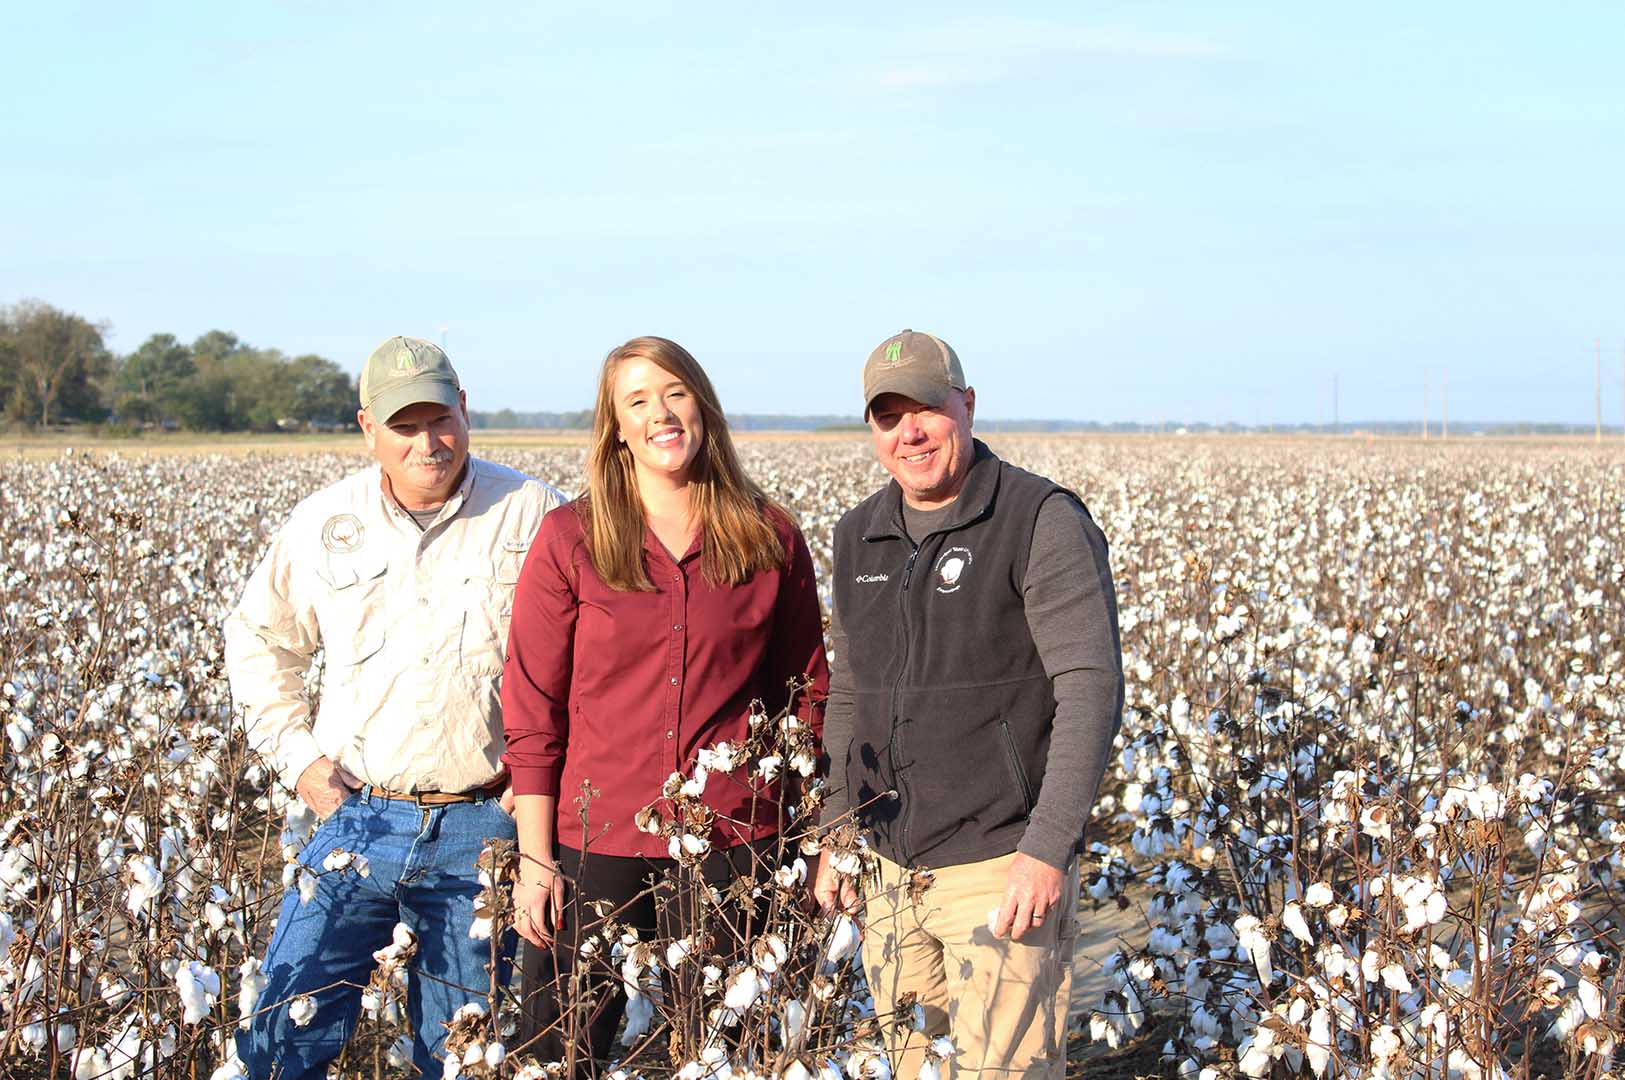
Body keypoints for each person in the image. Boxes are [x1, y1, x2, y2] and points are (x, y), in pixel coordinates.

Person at [224, 336, 565, 1078]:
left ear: (465, 412)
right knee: (283, 1039)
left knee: (463, 1051)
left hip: (482, 824)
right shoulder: (322, 523)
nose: (427, 441)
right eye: (404, 426)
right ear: (367, 428)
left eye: (440, 418)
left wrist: (535, 780)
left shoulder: (534, 512)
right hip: (355, 814)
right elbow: (257, 642)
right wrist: (302, 763)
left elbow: (593, 654)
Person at [501, 335, 829, 1063]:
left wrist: (808, 840)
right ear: (615, 425)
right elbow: (531, 707)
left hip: (734, 837)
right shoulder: (570, 539)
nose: (660, 415)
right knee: (558, 1051)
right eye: (637, 401)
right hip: (594, 839)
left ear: (702, 406)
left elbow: (803, 696)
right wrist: (535, 859)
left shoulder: (767, 536)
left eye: (674, 393)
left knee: (726, 1051)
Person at [814, 329, 1124, 1080]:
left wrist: (1046, 847)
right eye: (888, 417)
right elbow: (850, 688)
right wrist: (836, 826)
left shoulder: (1036, 519)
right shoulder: (860, 533)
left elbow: (1089, 685)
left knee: (1005, 1072)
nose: (909, 431)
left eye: (925, 407)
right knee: (912, 1064)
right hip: (889, 869)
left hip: (999, 865)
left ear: (967, 403)